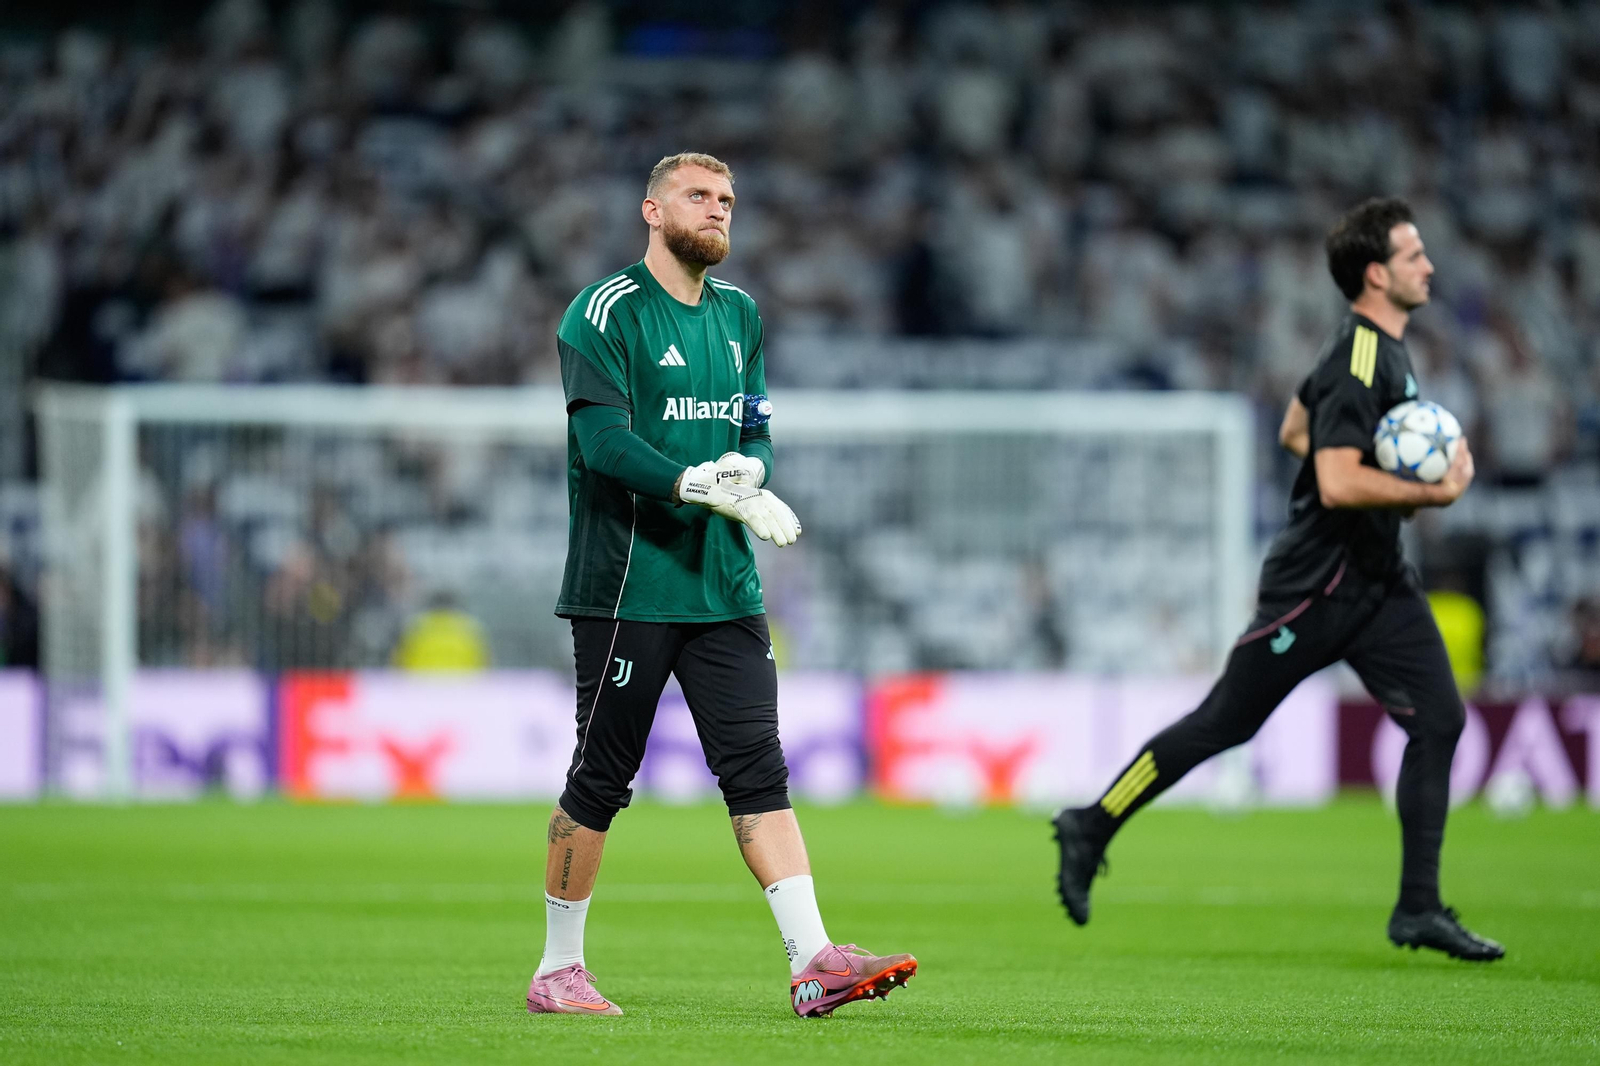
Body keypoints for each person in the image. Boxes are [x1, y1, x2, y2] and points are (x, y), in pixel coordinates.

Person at [1051, 198, 1504, 962]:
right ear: (1375, 274)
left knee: (1440, 720)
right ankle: (1090, 824)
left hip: (1379, 581)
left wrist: (1383, 486)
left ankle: (1419, 908)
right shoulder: (1359, 359)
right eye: (1413, 255)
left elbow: (1298, 429)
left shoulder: (1380, 353)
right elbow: (1335, 480)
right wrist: (1432, 491)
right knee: (1224, 723)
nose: (1429, 266)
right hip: (1317, 586)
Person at [528, 152, 917, 1018]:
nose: (717, 210)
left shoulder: (740, 314)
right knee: (601, 778)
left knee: (758, 772)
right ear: (652, 211)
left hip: (726, 585)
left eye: (728, 200)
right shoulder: (605, 311)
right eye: (698, 196)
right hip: (629, 585)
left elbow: (755, 429)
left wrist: (750, 471)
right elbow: (602, 444)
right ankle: (557, 970)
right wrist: (692, 484)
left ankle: (813, 961)